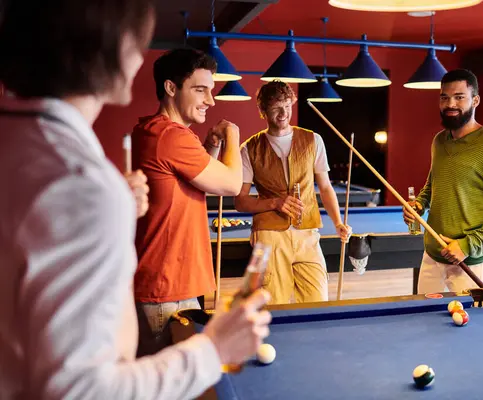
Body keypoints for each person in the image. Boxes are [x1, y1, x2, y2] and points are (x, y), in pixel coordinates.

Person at [0, 1, 270, 399]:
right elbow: (80, 390)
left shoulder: (20, 145)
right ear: (114, 50)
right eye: (139, 39)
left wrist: (118, 208)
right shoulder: (84, 181)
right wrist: (215, 350)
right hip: (166, 289)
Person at [131, 48, 245, 355]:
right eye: (200, 90)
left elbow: (193, 186)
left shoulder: (154, 131)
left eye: (211, 91)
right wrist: (232, 135)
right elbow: (232, 184)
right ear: (171, 88)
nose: (210, 100)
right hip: (167, 288)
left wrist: (210, 145)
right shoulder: (171, 136)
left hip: (167, 285)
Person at [404, 69, 483, 294]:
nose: (450, 103)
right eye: (444, 97)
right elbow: (433, 185)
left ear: (475, 100)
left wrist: (468, 245)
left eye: (459, 97)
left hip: (470, 263)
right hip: (432, 256)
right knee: (421, 324)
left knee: (470, 326)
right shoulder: (440, 141)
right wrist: (419, 205)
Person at [234, 80, 352, 304]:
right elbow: (240, 201)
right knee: (273, 304)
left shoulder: (313, 140)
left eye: (287, 106)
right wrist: (275, 203)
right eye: (276, 107)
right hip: (270, 236)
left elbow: (325, 187)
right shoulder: (249, 149)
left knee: (318, 300)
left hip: (307, 233)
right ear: (262, 111)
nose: (283, 113)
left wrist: (337, 222)